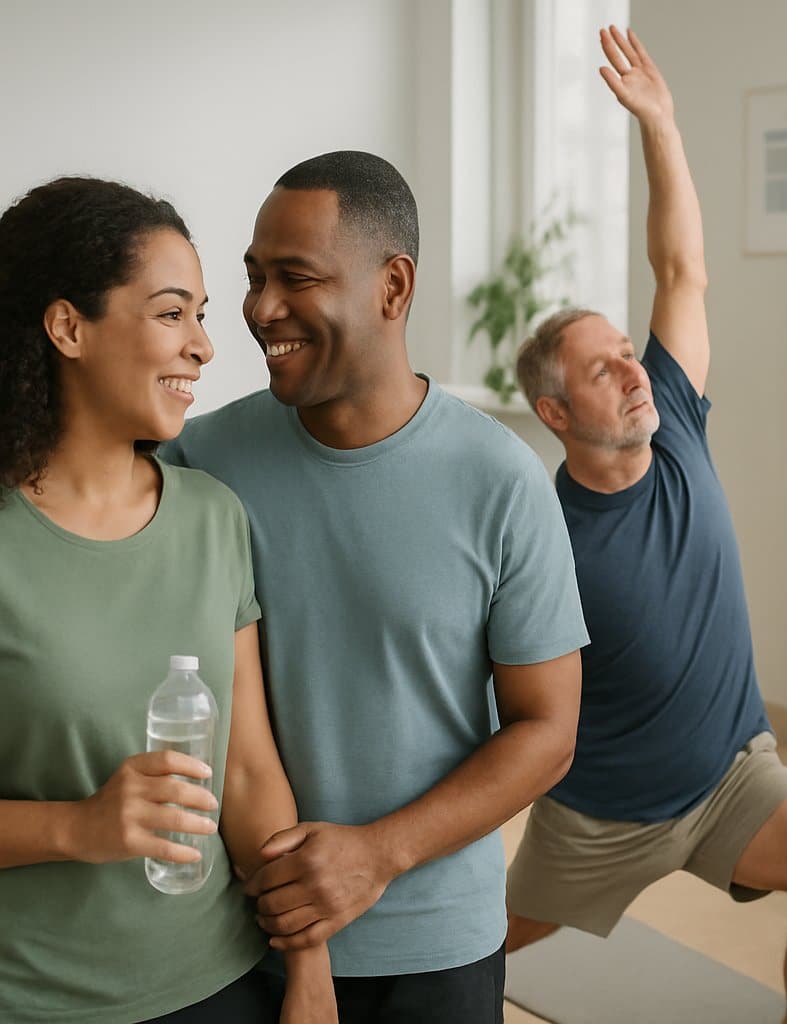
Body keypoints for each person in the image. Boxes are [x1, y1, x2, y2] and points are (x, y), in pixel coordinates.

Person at [159, 151, 587, 1023]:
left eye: (295, 277)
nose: (260, 309)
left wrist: (380, 854)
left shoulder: (501, 479)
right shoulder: (197, 460)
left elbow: (548, 731)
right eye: (252, 278)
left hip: (440, 946)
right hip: (242, 942)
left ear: (393, 287)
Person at [503, 27, 787, 1024]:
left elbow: (683, 269)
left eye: (629, 352)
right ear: (555, 413)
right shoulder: (545, 534)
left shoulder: (676, 423)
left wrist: (661, 125)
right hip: (600, 817)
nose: (633, 371)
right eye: (601, 369)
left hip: (730, 779)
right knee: (470, 951)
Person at [0, 177, 334, 1023]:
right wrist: (78, 828)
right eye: (170, 313)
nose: (205, 346)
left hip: (218, 983)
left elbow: (251, 770)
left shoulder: (213, 518)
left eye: (201, 314)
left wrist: (308, 966)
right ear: (68, 326)